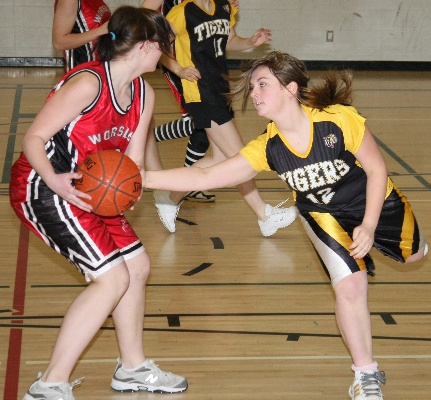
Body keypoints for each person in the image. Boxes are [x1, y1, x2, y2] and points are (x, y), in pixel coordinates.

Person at [142, 51, 428, 399]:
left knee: (415, 256)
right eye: (253, 87)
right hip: (323, 214)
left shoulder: (337, 120)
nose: (254, 93)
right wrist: (144, 178)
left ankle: (397, 245)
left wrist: (368, 225)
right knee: (350, 286)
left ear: (290, 88)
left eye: (262, 84)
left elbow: (376, 169)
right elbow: (206, 176)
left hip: (373, 200)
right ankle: (365, 374)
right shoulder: (268, 147)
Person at [11, 7, 187, 399]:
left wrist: (130, 190)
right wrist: (55, 180)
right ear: (144, 46)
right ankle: (49, 384)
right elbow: (33, 138)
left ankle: (132, 368)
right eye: (162, 46)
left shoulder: (144, 94)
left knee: (137, 267)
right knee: (112, 279)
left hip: (92, 191)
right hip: (45, 184)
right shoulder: (89, 83)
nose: (164, 55)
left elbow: (133, 164)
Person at [154, 0, 298, 235]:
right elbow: (157, 46)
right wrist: (179, 69)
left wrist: (250, 42)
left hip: (221, 88)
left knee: (218, 159)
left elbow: (229, 41)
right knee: (240, 157)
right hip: (200, 92)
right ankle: (264, 215)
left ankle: (170, 198)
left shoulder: (223, 7)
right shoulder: (182, 12)